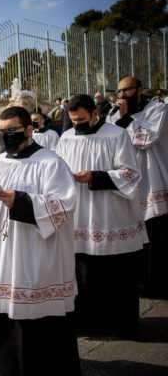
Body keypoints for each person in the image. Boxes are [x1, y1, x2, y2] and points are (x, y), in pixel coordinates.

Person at [0, 107, 80, 376]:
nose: (6, 137)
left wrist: (21, 201)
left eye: (12, 131)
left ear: (28, 129)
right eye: (1, 132)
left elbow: (64, 205)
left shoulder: (51, 162)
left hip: (32, 256)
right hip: (0, 258)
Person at [57, 94, 147, 338]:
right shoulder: (66, 138)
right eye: (73, 120)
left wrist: (95, 177)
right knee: (83, 271)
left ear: (95, 113)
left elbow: (131, 174)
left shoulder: (116, 135)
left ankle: (120, 325)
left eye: (82, 119)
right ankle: (87, 324)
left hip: (109, 213)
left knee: (116, 273)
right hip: (80, 215)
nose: (77, 125)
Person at [107, 76, 168, 299]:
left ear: (140, 90)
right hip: (128, 181)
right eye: (119, 91)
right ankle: (138, 280)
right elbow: (110, 142)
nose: (122, 95)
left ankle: (157, 284)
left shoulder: (157, 110)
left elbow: (145, 139)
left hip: (153, 179)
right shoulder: (113, 114)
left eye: (127, 90)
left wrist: (125, 119)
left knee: (155, 236)